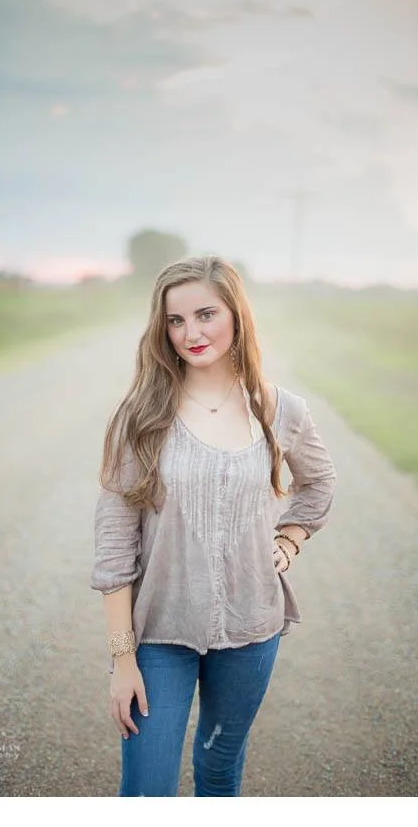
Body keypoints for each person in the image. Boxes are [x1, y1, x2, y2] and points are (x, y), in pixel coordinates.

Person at [90, 255, 336, 797]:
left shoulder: (279, 409)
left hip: (251, 630)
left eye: (205, 314)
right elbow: (113, 548)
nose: (190, 333)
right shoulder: (141, 415)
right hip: (159, 635)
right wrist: (121, 659)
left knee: (219, 767)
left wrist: (289, 541)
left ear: (236, 315)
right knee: (147, 788)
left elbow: (319, 484)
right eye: (175, 320)